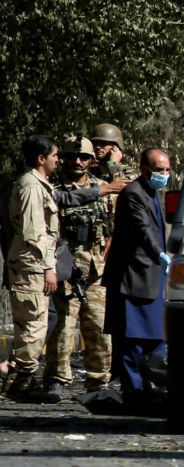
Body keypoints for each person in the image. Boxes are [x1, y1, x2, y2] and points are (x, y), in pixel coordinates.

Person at [42, 136, 114, 400]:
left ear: (91, 160)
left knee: (98, 326)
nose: (77, 162)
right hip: (65, 266)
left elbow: (113, 225)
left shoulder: (104, 187)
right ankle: (57, 379)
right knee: (63, 325)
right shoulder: (52, 188)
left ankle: (99, 381)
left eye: (83, 157)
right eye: (72, 157)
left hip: (96, 269)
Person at [102, 148, 172, 408]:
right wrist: (160, 255)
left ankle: (153, 390)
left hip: (153, 278)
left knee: (155, 337)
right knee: (132, 339)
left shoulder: (154, 193)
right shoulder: (134, 194)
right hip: (133, 277)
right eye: (159, 169)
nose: (164, 175)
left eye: (166, 169)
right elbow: (143, 229)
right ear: (144, 169)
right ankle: (135, 392)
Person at [3, 135, 62, 403]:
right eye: (55, 155)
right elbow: (33, 232)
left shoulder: (39, 185)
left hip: (32, 264)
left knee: (35, 322)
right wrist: (49, 267)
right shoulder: (30, 187)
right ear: (41, 158)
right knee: (32, 325)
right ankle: (22, 383)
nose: (57, 160)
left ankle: (23, 379)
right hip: (31, 265)